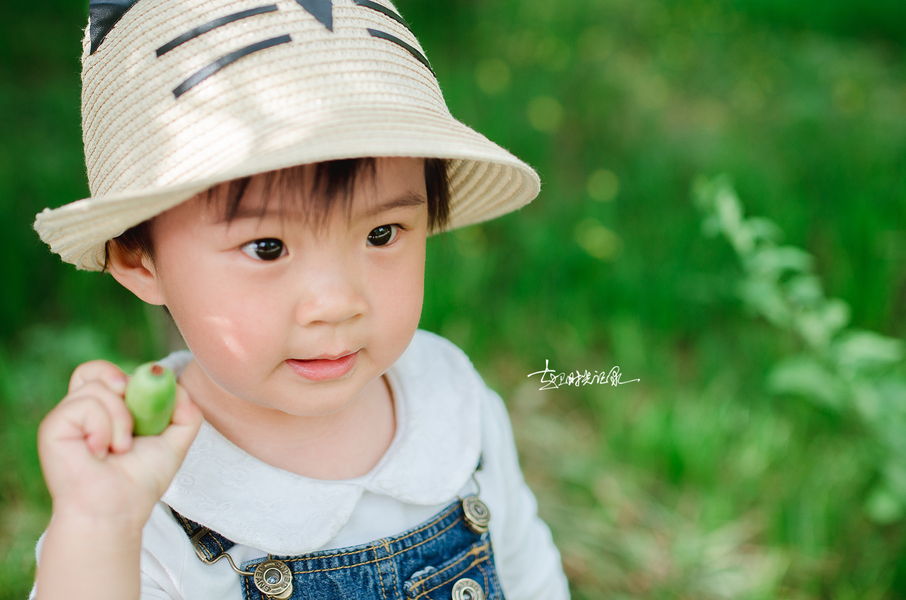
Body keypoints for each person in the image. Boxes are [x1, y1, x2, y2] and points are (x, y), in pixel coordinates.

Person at [30, 0, 570, 598]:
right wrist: (99, 525)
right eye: (267, 248)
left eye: (381, 234)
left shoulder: (453, 402)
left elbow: (529, 575)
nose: (336, 303)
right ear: (139, 259)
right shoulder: (140, 491)